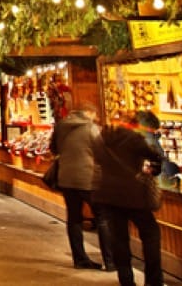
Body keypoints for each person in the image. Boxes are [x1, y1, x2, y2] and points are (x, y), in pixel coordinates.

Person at [93, 111, 165, 286]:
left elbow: (97, 161)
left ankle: (126, 280)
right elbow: (156, 157)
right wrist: (150, 169)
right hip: (133, 194)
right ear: (133, 125)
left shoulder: (99, 139)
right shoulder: (134, 139)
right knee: (150, 233)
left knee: (119, 239)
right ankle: (153, 280)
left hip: (108, 195)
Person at [51, 101, 112, 271]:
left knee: (74, 219)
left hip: (66, 178)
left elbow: (53, 148)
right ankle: (110, 260)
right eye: (95, 115)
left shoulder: (61, 126)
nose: (96, 119)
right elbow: (102, 152)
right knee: (102, 218)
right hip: (88, 178)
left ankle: (80, 259)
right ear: (88, 112)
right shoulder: (91, 128)